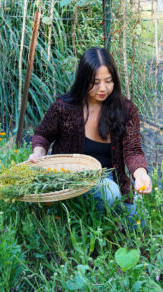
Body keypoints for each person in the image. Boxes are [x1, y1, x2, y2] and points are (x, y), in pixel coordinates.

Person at [29, 47, 152, 225]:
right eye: (95, 82)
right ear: (83, 80)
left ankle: (108, 226)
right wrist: (39, 154)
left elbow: (133, 150)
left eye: (108, 81)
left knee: (139, 219)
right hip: (72, 179)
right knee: (110, 193)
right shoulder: (64, 108)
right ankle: (89, 226)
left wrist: (140, 174)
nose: (102, 88)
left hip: (110, 178)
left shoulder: (125, 110)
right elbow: (43, 134)